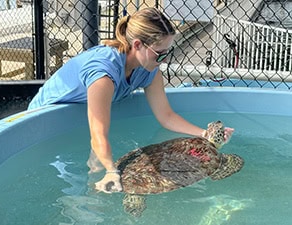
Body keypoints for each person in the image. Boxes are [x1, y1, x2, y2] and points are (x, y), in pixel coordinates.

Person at [28, 7, 234, 193]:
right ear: (138, 45)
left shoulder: (148, 71)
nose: (164, 60)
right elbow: (98, 134)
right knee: (82, 187)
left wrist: (206, 135)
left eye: (167, 53)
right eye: (160, 54)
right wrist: (110, 171)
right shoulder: (103, 75)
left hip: (79, 120)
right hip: (44, 124)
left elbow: (167, 116)